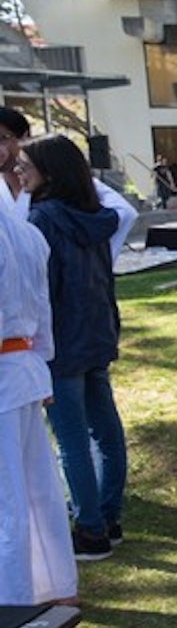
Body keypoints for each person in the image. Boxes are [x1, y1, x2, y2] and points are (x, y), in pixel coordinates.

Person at [18, 135, 126, 562]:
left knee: (73, 440)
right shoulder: (95, 216)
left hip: (62, 344)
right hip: (96, 336)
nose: (19, 172)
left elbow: (40, 289)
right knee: (103, 430)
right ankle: (107, 516)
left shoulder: (43, 219)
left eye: (27, 165)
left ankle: (90, 529)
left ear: (51, 172)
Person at [0, 207, 78, 604]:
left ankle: (12, 601)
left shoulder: (20, 233)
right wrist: (43, 360)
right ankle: (56, 587)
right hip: (25, 368)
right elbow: (42, 309)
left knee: (10, 499)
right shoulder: (27, 234)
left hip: (8, 372)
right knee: (36, 488)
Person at [0, 108, 135, 260]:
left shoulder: (61, 181)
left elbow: (125, 213)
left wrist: (93, 260)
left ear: (24, 137)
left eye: (3, 138)